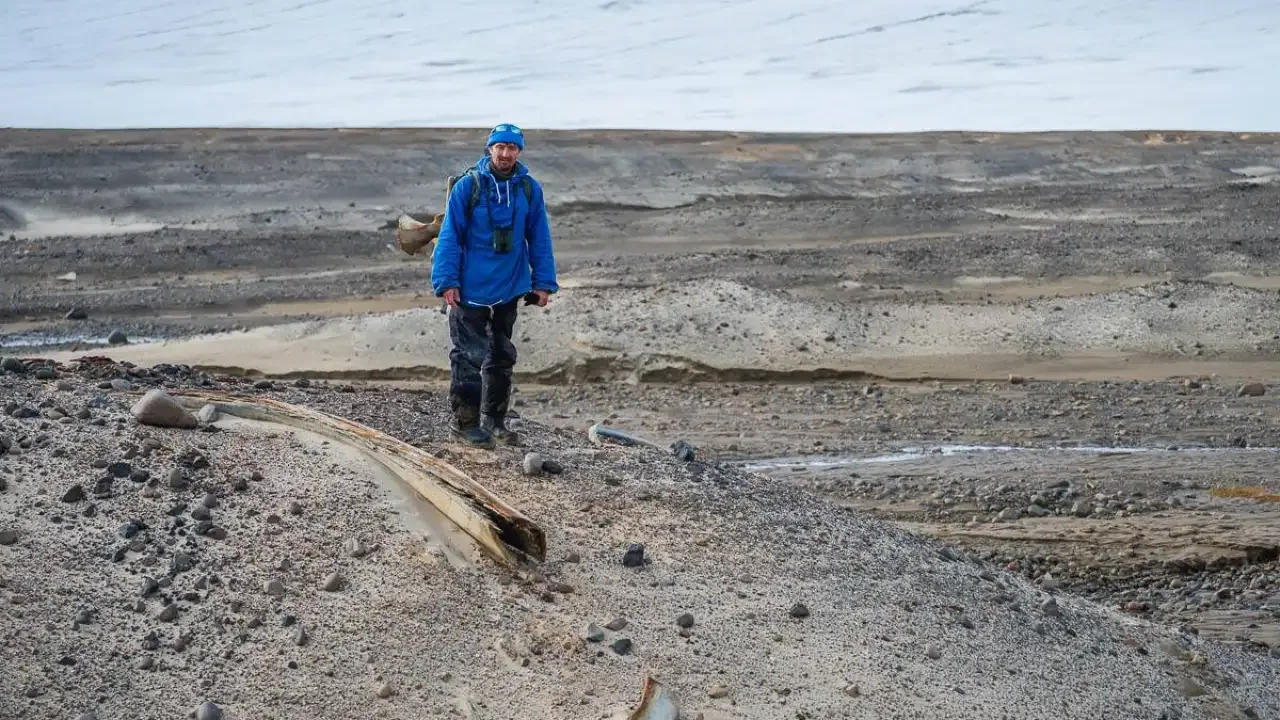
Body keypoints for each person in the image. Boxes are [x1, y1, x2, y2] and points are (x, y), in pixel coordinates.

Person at [431, 123, 559, 448]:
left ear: (519, 151)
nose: (505, 153)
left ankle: (495, 421)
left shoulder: (529, 189)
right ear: (489, 149)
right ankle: (465, 424)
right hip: (469, 291)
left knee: (501, 355)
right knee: (469, 356)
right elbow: (449, 236)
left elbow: (539, 237)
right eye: (499, 147)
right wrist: (447, 282)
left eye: (511, 147)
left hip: (509, 289)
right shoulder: (467, 187)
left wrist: (542, 283)